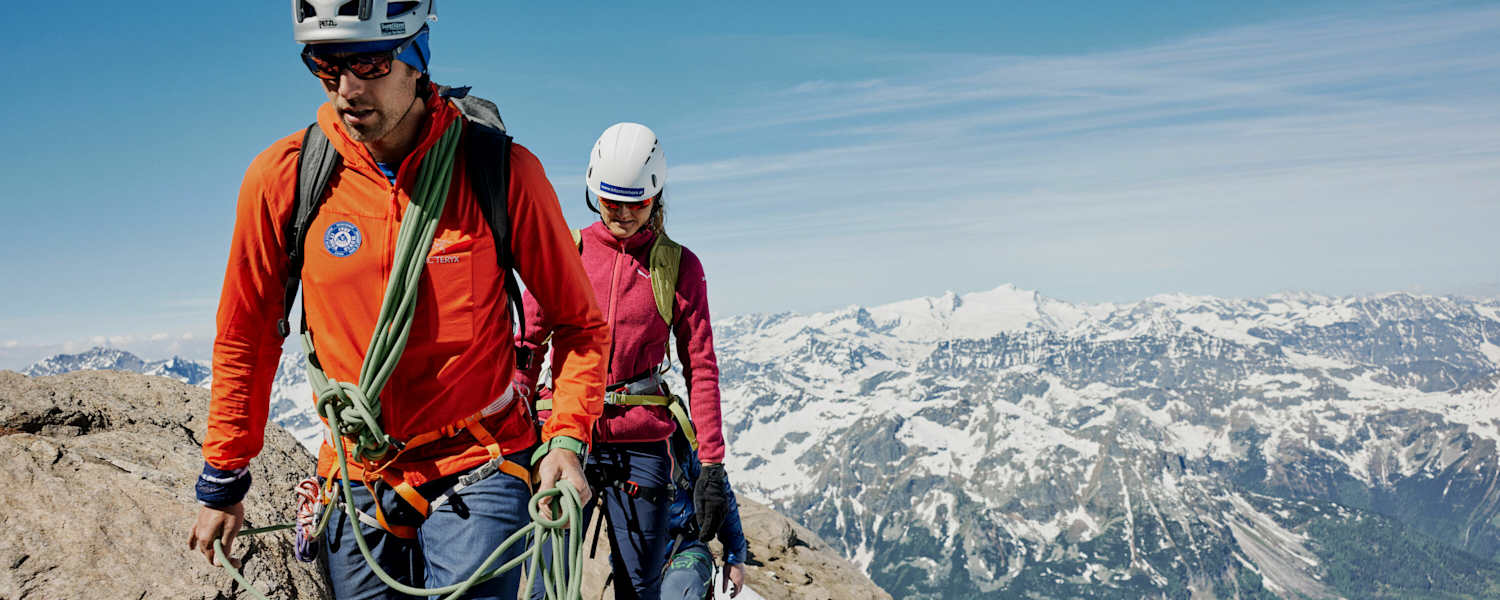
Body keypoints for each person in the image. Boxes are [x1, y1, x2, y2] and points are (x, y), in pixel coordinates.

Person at [185, 2, 609, 599]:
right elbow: (248, 333)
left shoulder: (498, 170)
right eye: (326, 67)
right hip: (359, 467)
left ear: (416, 57)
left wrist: (565, 438)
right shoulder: (287, 178)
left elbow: (579, 325)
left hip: (478, 458)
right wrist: (224, 477)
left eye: (369, 63)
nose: (348, 90)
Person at [515, 122, 731, 600]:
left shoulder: (677, 266)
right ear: (594, 192)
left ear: (655, 197)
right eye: (613, 202)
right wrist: (518, 430)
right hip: (566, 434)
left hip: (641, 441)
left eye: (637, 203)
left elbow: (701, 366)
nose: (624, 215)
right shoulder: (568, 251)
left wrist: (711, 465)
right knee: (546, 584)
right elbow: (527, 345)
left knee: (638, 587)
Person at [661, 430, 747, 600]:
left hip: (686, 546)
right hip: (637, 552)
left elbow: (719, 494)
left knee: (680, 589)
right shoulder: (611, 432)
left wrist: (735, 558)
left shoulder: (682, 436)